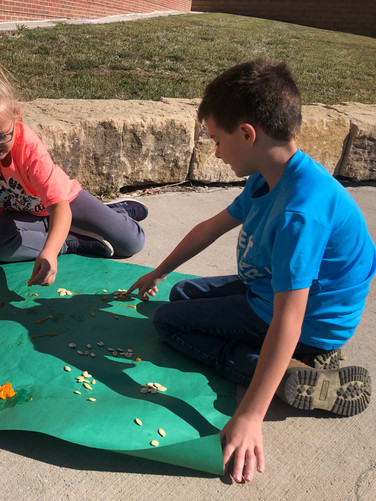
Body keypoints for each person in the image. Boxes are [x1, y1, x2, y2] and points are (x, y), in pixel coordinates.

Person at [127, 59, 376, 483]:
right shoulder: (268, 174)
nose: (216, 152)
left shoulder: (301, 214)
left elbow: (289, 318)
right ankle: (301, 361)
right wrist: (159, 272)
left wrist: (250, 415)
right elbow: (211, 227)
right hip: (268, 290)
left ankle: (291, 376)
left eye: (216, 140)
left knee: (169, 322)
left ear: (247, 134)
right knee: (181, 292)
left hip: (308, 319)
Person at [0, 68, 147, 287]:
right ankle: (73, 242)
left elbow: (59, 207)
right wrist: (56, 248)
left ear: (16, 115)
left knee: (131, 242)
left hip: (64, 203)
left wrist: (48, 252)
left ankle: (114, 211)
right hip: (23, 215)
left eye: (2, 136)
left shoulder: (28, 149)